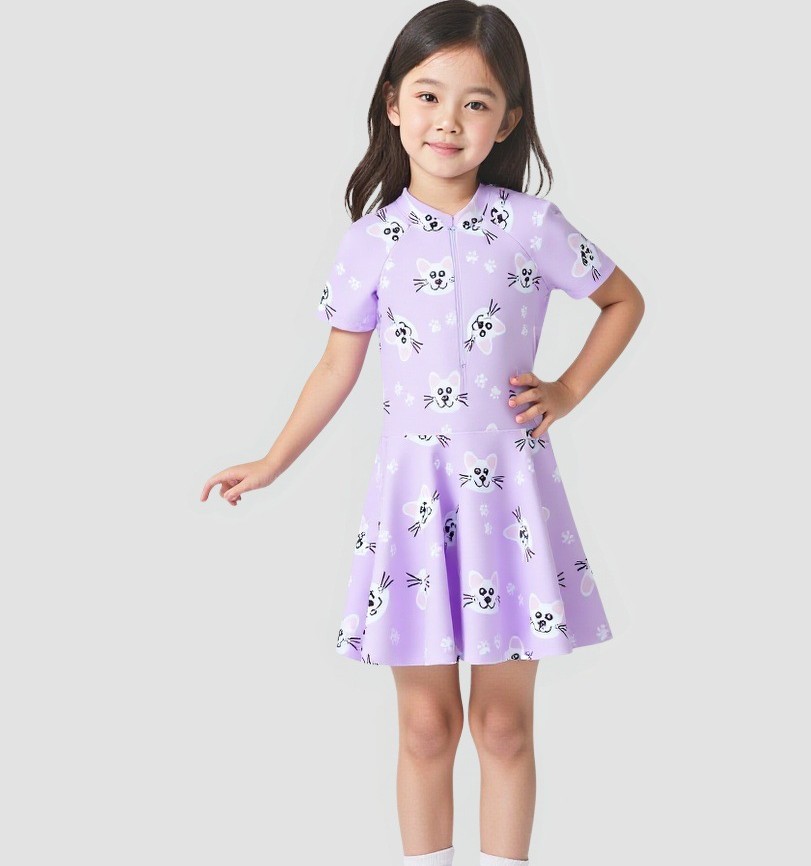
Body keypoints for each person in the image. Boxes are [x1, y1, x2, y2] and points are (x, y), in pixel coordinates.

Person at [200, 2, 644, 864]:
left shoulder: (530, 226)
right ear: (394, 104)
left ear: (506, 120)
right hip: (415, 503)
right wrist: (272, 461)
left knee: (504, 727)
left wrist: (568, 389)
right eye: (430, 96)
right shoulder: (370, 242)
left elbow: (622, 300)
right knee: (427, 726)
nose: (449, 120)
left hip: (510, 502)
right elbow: (336, 368)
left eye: (476, 103)